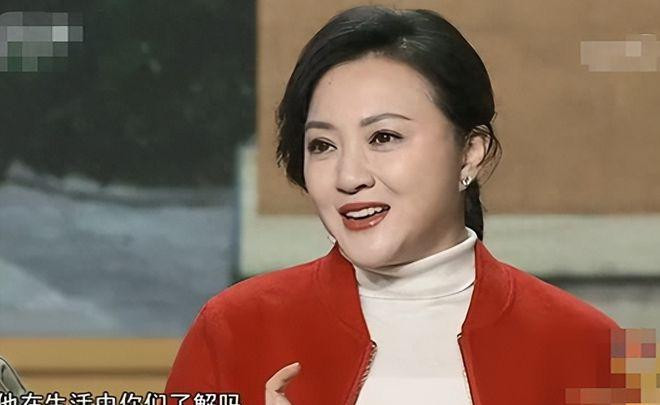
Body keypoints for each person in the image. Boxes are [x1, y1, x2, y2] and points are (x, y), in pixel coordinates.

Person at [165, 6, 621, 405]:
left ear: (470, 152)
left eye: (384, 137)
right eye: (322, 145)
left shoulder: (593, 347)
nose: (349, 177)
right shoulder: (234, 330)